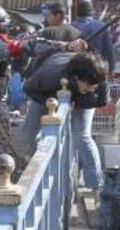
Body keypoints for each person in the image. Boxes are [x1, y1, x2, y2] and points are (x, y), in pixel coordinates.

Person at [0, 4, 87, 230]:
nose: (8, 27)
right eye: (4, 23)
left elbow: (28, 43)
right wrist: (65, 45)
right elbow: (29, 46)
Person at [22, 52, 108, 190]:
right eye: (88, 84)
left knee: (82, 136)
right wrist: (52, 104)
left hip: (80, 98)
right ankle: (31, 173)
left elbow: (101, 101)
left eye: (95, 85)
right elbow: (28, 89)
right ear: (76, 77)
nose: (92, 88)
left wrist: (77, 100)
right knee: (27, 134)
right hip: (46, 95)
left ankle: (96, 183)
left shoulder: (97, 75)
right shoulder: (50, 76)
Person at [71, 0, 115, 74]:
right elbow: (109, 50)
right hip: (97, 67)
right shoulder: (101, 26)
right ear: (91, 12)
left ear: (77, 12)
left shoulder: (71, 27)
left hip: (76, 69)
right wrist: (111, 69)